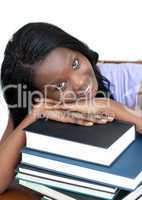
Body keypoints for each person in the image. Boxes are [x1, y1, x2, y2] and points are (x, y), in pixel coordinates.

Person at [0, 22, 141, 193]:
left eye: (75, 64)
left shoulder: (132, 81)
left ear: (78, 49)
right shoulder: (38, 107)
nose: (80, 82)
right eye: (59, 86)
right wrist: (32, 117)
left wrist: (108, 106)